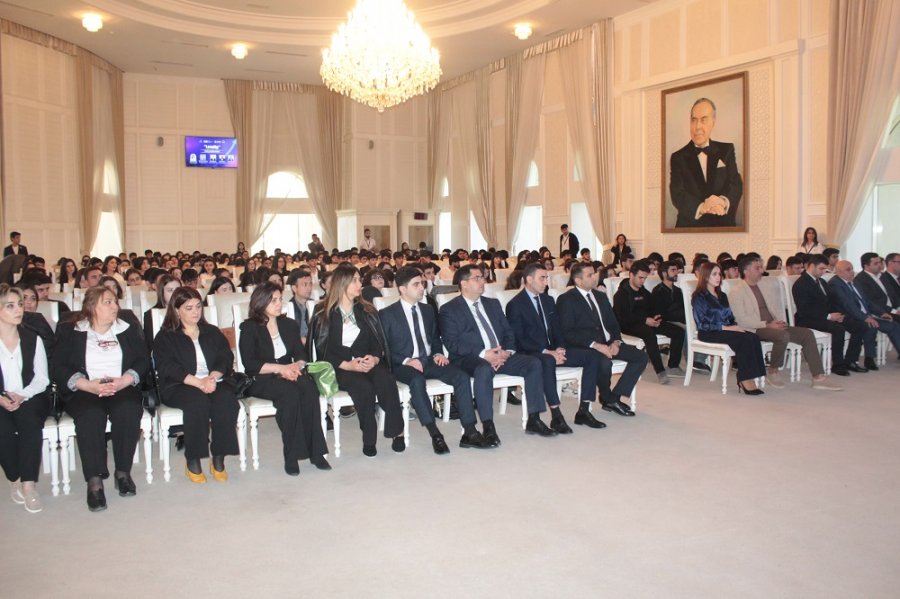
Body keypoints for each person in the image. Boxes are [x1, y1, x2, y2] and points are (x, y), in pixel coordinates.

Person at [52, 286, 149, 511]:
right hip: (85, 387)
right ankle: (94, 481)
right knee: (90, 414)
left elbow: (143, 360)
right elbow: (58, 366)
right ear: (92, 306)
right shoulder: (71, 330)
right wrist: (87, 385)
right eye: (108, 302)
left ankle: (122, 472)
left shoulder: (127, 328)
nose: (115, 306)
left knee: (128, 409)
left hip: (120, 384)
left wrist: (124, 380)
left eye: (115, 302)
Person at [440, 264, 557, 443]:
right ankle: (488, 426)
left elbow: (509, 333)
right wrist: (483, 354)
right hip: (469, 358)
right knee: (484, 369)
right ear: (463, 283)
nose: (482, 281)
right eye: (477, 278)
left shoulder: (492, 304)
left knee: (533, 363)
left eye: (482, 277)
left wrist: (507, 352)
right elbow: (452, 343)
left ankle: (534, 419)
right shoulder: (449, 309)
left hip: (500, 355)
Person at [308, 265, 404, 457]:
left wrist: (374, 358)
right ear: (342, 283)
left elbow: (378, 341)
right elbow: (322, 349)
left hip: (367, 361)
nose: (360, 284)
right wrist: (348, 364)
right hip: (339, 366)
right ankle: (369, 437)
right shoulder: (323, 312)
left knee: (386, 380)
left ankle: (397, 431)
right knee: (363, 387)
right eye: (355, 280)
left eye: (360, 280)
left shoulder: (366, 309)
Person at [380, 267, 477, 453]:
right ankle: (435, 434)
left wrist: (439, 353)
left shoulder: (428, 310)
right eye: (416, 284)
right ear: (402, 289)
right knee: (417, 381)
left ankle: (470, 431)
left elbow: (434, 339)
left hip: (429, 360)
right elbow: (385, 349)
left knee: (461, 376)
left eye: (422, 283)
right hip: (403, 365)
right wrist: (407, 360)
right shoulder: (387, 314)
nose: (422, 288)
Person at [506, 263, 610, 430]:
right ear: (529, 279)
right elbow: (519, 339)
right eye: (542, 278)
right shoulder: (515, 304)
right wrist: (546, 351)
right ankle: (556, 415)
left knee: (592, 356)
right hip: (532, 352)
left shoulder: (547, 300)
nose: (546, 282)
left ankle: (584, 410)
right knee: (548, 360)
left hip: (553, 350)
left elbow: (557, 329)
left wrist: (560, 348)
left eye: (546, 278)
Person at [239, 282, 329, 474]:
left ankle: (316, 453)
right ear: (260, 302)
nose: (279, 304)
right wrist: (282, 369)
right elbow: (251, 364)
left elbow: (301, 354)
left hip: (290, 371)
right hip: (262, 377)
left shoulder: (289, 325)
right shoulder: (249, 328)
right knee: (290, 395)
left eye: (280, 299)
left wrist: (297, 366)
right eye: (274, 300)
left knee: (309, 388)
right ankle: (291, 455)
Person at [153, 288, 240, 483]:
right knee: (197, 402)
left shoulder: (212, 332)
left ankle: (218, 457)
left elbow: (225, 357)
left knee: (227, 400)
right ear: (176, 310)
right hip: (180, 384)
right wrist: (199, 382)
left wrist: (212, 377)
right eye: (189, 308)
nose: (195, 312)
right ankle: (193, 458)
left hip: (212, 380)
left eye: (198, 307)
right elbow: (168, 367)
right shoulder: (165, 336)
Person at [730, 256, 841, 390]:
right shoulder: (737, 291)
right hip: (754, 328)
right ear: (746, 271)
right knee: (782, 336)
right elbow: (742, 320)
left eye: (761, 267)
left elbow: (776, 308)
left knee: (807, 334)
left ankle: (818, 377)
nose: (761, 271)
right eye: (757, 268)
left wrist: (780, 321)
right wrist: (767, 325)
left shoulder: (764, 286)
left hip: (773, 325)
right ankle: (772, 371)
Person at [555, 262, 646, 414]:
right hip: (587, 347)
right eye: (590, 275)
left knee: (640, 357)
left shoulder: (600, 296)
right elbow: (568, 332)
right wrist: (596, 345)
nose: (595, 277)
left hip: (609, 343)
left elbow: (614, 324)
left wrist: (616, 342)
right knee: (603, 363)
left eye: (594, 274)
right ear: (578, 280)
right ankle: (607, 397)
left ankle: (613, 398)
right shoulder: (567, 299)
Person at [0, 285, 51, 513]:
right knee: (3, 430)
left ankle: (29, 486)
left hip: (30, 395)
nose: (19, 310)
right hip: (1, 398)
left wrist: (23, 395)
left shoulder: (32, 338)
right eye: (10, 306)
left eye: (19, 304)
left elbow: (42, 379)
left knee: (29, 423)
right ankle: (14, 478)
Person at [691, 262, 766, 394]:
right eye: (714, 274)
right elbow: (701, 324)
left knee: (753, 337)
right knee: (744, 340)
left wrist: (735, 326)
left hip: (725, 330)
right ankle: (745, 378)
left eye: (719, 274)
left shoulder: (722, 295)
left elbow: (730, 317)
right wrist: (727, 328)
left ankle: (752, 375)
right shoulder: (699, 297)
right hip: (708, 332)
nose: (718, 277)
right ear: (706, 276)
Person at [669, 98, 743, 228]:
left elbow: (735, 184)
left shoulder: (727, 150)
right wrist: (702, 207)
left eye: (703, 120)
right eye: (693, 120)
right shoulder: (677, 157)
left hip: (723, 227)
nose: (697, 126)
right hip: (689, 229)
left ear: (713, 122)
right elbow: (677, 193)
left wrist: (722, 201)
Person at [793, 255, 867, 376]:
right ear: (811, 266)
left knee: (860, 326)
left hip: (826, 315)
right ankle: (838, 365)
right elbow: (804, 309)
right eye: (821, 269)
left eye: (825, 269)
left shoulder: (821, 281)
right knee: (838, 329)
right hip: (807, 319)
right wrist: (828, 316)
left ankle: (851, 361)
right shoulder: (801, 284)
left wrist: (838, 315)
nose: (824, 272)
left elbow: (831, 302)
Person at [614, 260, 685, 385]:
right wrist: (645, 320)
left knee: (678, 331)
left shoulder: (644, 292)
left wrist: (655, 318)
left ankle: (673, 365)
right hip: (628, 325)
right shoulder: (621, 294)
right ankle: (660, 371)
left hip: (646, 322)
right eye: (640, 278)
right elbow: (624, 316)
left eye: (645, 278)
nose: (643, 281)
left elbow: (651, 308)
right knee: (649, 334)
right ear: (631, 275)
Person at [829, 260, 898, 370]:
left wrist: (881, 312)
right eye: (848, 270)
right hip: (849, 317)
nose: (852, 272)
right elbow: (848, 306)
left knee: (893, 325)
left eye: (852, 269)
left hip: (866, 315)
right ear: (839, 272)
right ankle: (868, 359)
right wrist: (865, 318)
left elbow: (868, 302)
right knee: (869, 326)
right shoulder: (835, 284)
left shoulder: (855, 282)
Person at [854, 253, 899, 323]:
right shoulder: (861, 280)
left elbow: (892, 294)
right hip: (881, 312)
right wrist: (894, 311)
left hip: (894, 309)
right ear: (866, 266)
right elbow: (873, 302)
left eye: (880, 262)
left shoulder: (882, 275)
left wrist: (898, 307)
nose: (880, 265)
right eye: (876, 263)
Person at [143, 274, 180, 347]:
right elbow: (152, 344)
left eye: (178, 290)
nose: (175, 294)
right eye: (170, 290)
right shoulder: (150, 315)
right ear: (162, 292)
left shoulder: (189, 310)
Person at [285, 269, 313, 349]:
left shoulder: (315, 306)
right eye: (305, 285)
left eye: (310, 284)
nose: (309, 288)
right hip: (296, 347)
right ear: (294, 288)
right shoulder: (287, 309)